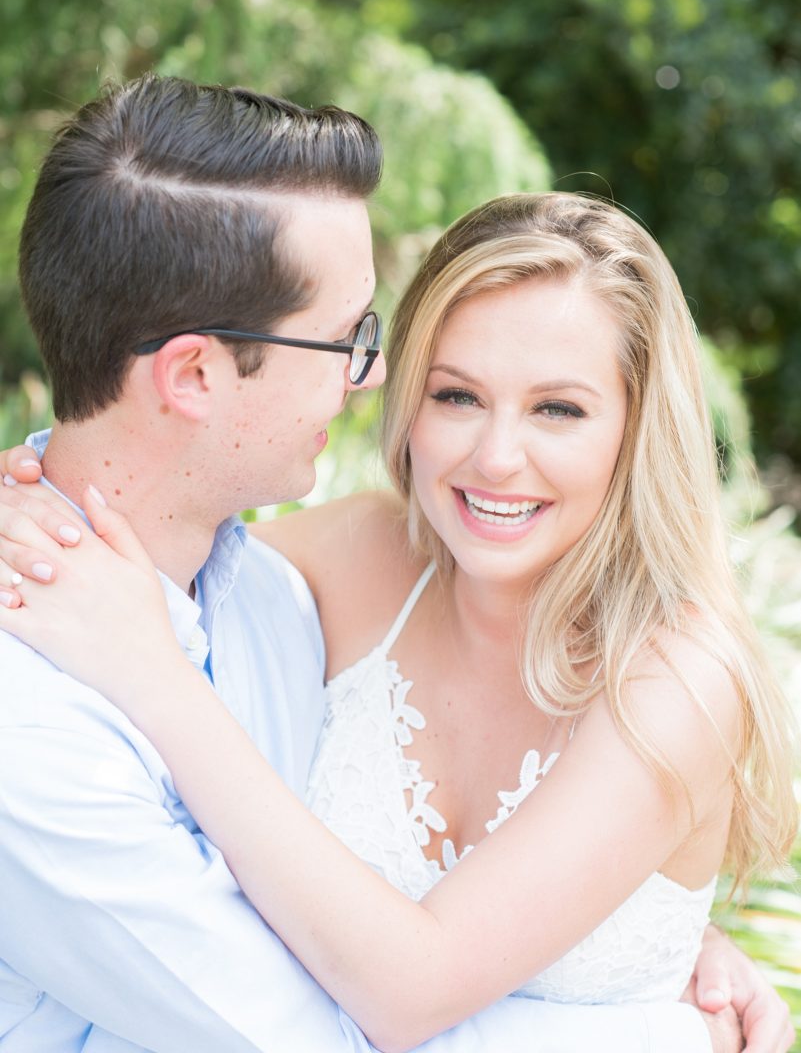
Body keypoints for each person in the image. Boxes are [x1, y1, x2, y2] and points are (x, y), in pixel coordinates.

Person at [0, 157, 795, 1049]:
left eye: (558, 410)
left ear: (636, 426)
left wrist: (154, 678)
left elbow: (415, 989)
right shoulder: (360, 553)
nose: (495, 457)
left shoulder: (675, 679)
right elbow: (142, 542)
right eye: (456, 395)